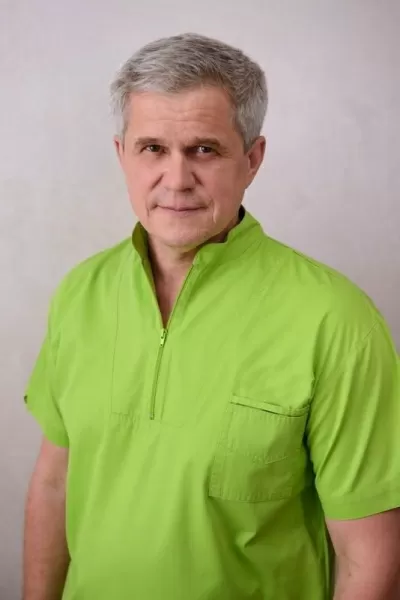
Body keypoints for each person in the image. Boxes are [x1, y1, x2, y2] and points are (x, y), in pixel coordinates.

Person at [23, 33, 400, 600]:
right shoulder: (80, 294)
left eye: (204, 149)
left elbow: (368, 558)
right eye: (153, 148)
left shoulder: (336, 320)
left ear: (252, 160)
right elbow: (55, 485)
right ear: (122, 155)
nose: (176, 180)